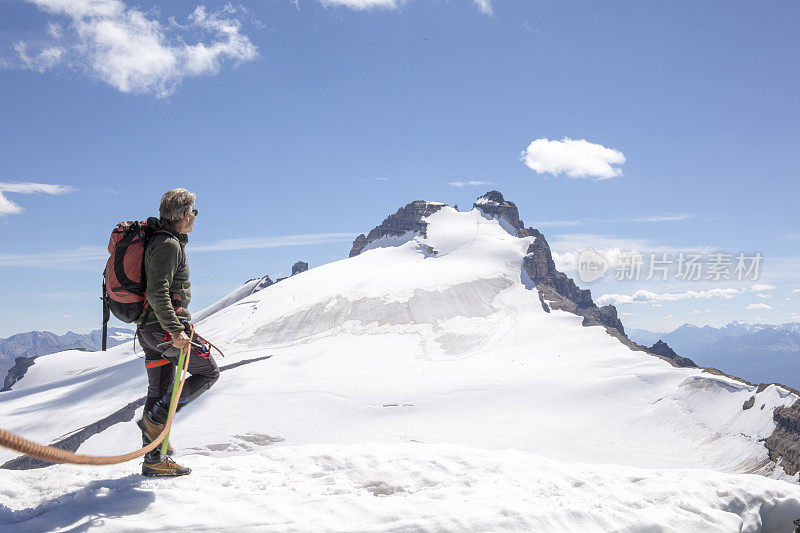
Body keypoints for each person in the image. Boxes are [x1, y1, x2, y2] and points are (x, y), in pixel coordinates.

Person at [135, 188, 219, 477]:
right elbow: (158, 292)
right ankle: (157, 419)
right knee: (208, 372)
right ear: (185, 215)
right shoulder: (168, 245)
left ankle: (154, 460)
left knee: (158, 390)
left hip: (149, 330)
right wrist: (176, 330)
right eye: (194, 211)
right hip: (164, 330)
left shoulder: (160, 241)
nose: (195, 217)